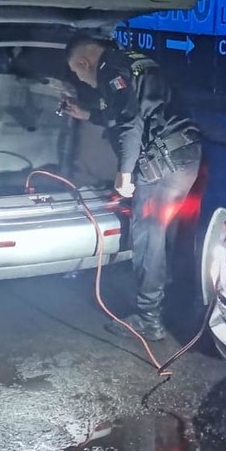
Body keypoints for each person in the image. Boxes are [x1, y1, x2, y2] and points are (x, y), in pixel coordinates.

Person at [62, 34, 203, 342]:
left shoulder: (110, 70)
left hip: (161, 164)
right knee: (167, 234)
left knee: (148, 239)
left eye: (76, 72)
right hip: (186, 155)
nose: (81, 80)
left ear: (84, 62)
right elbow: (124, 111)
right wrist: (85, 114)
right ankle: (174, 299)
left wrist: (124, 173)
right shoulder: (133, 59)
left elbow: (129, 122)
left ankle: (148, 319)